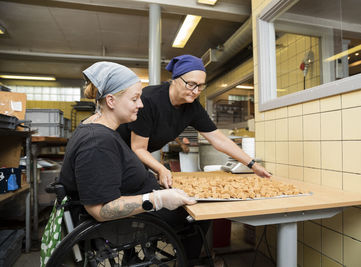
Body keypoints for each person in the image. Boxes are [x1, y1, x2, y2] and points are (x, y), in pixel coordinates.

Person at [58, 61, 207, 264]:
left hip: (141, 207)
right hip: (127, 223)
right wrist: (159, 200)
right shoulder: (97, 143)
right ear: (111, 100)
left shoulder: (101, 128)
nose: (141, 104)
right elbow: (100, 210)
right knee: (202, 215)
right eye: (135, 99)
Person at [117, 55, 272, 188]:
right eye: (191, 84)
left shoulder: (193, 107)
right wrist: (161, 169)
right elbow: (138, 148)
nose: (196, 91)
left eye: (200, 86)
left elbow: (219, 140)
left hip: (136, 158)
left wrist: (253, 165)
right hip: (117, 153)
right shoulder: (149, 100)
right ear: (175, 80)